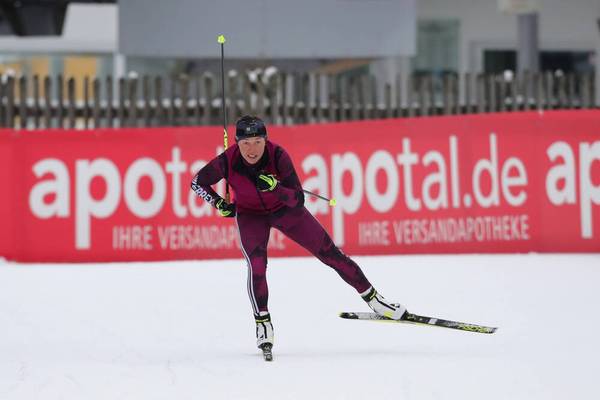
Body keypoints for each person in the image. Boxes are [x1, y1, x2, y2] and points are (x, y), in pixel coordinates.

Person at [191, 115, 407, 353]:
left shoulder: (278, 156)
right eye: (246, 143)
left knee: (331, 254)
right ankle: (263, 322)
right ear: (237, 143)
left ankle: (375, 300)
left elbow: (298, 200)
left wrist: (276, 187)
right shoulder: (227, 160)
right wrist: (220, 204)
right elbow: (197, 182)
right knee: (257, 266)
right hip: (250, 216)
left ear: (266, 140)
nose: (252, 149)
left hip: (284, 211)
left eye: (257, 142)